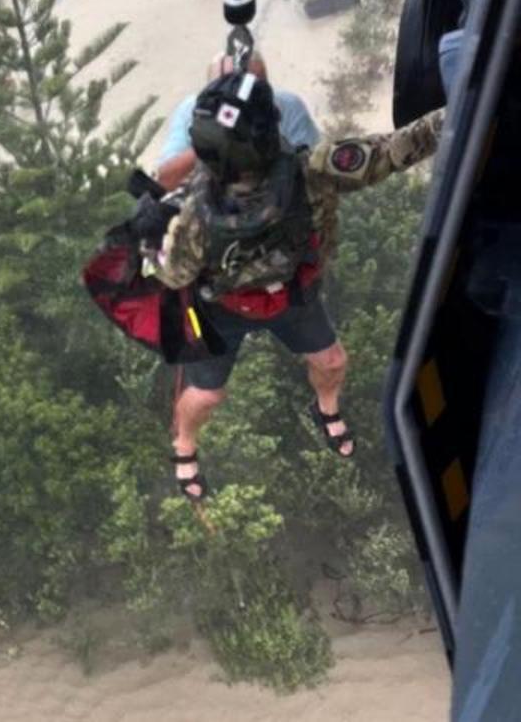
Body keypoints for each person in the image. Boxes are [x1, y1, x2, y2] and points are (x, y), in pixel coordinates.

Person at [141, 71, 444, 500]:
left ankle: (325, 408)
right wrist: (463, 109)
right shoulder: (311, 171)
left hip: (293, 296)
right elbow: (395, 150)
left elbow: (169, 275)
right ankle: (184, 444)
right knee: (205, 395)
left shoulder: (195, 214)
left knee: (332, 361)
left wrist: (154, 237)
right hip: (221, 311)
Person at [156, 52, 320, 190]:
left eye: (252, 92)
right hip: (215, 210)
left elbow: (316, 173)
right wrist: (211, 137)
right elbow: (166, 181)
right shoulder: (193, 112)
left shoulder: (287, 106)